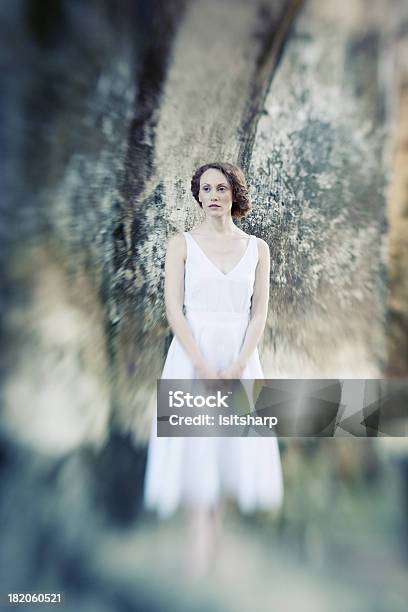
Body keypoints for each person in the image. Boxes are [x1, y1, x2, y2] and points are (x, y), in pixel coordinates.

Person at [143, 162, 283, 576]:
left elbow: (259, 312)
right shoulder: (180, 244)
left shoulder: (258, 248)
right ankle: (198, 545)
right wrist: (200, 362)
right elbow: (173, 308)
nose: (214, 196)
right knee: (194, 441)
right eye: (206, 189)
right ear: (198, 195)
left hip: (240, 355)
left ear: (234, 194)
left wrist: (240, 362)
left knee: (229, 442)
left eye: (221, 188)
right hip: (192, 353)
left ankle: (217, 536)